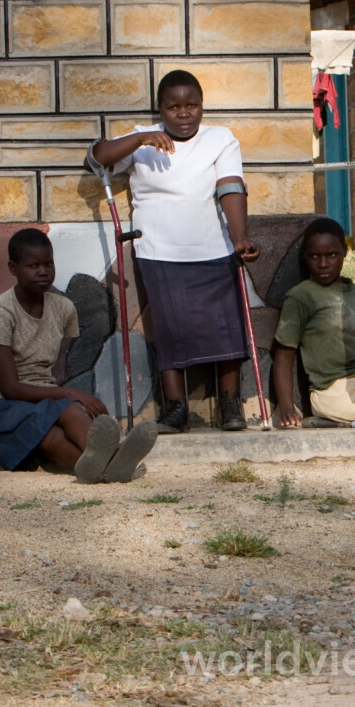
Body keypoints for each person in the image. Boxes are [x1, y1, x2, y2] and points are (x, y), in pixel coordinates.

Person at [87, 69, 260, 434]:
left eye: (192, 105)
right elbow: (97, 157)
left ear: (202, 106)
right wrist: (140, 140)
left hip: (212, 246)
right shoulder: (141, 138)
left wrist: (240, 236)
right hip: (158, 249)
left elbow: (230, 185)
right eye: (174, 106)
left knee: (226, 327)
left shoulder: (220, 139)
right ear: (161, 109)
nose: (184, 113)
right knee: (169, 329)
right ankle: (175, 408)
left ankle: (230, 405)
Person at [0, 228, 158, 482]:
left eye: (48, 264)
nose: (43, 271)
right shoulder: (0, 312)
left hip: (37, 400)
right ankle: (113, 463)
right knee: (59, 420)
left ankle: (105, 469)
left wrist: (65, 395)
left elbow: (56, 368)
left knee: (59, 423)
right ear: (13, 268)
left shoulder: (63, 307)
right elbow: (10, 387)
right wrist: (69, 394)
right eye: (33, 265)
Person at [271, 217, 355, 426]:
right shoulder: (301, 296)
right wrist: (287, 407)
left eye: (332, 255)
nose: (323, 264)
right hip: (334, 392)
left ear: (345, 252)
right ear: (305, 257)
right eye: (314, 256)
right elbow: (283, 355)